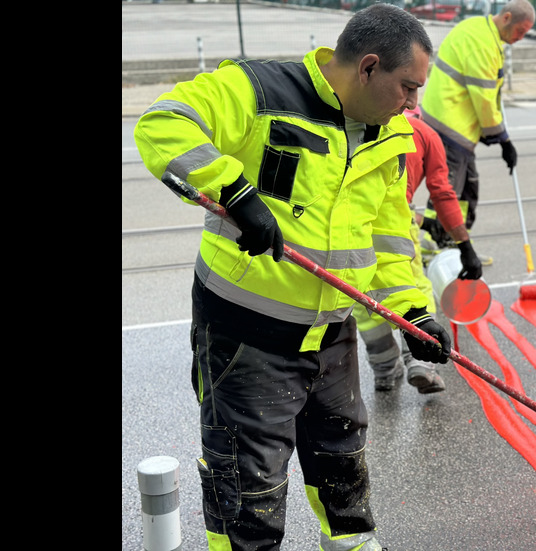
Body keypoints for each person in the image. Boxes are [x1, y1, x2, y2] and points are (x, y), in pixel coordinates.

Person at [132, 5, 451, 550]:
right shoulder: (256, 89)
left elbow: (390, 237)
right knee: (247, 488)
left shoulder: (389, 133)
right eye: (408, 87)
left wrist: (414, 312)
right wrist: (232, 190)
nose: (414, 104)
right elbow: (163, 122)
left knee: (342, 465)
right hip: (246, 335)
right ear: (368, 67)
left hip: (331, 334)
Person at [353, 109, 483, 394]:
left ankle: (385, 369)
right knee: (415, 287)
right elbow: (441, 193)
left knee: (362, 296)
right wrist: (465, 245)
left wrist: (426, 221)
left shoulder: (360, 121)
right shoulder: (425, 134)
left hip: (354, 223)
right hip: (395, 225)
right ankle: (420, 363)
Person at [419, 0, 536, 255]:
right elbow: (483, 99)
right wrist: (502, 139)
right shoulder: (482, 43)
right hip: (449, 127)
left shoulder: (482, 31)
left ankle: (456, 245)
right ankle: (434, 246)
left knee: (466, 189)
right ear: (506, 18)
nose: (521, 37)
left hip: (455, 125)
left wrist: (492, 134)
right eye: (520, 31)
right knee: (447, 191)